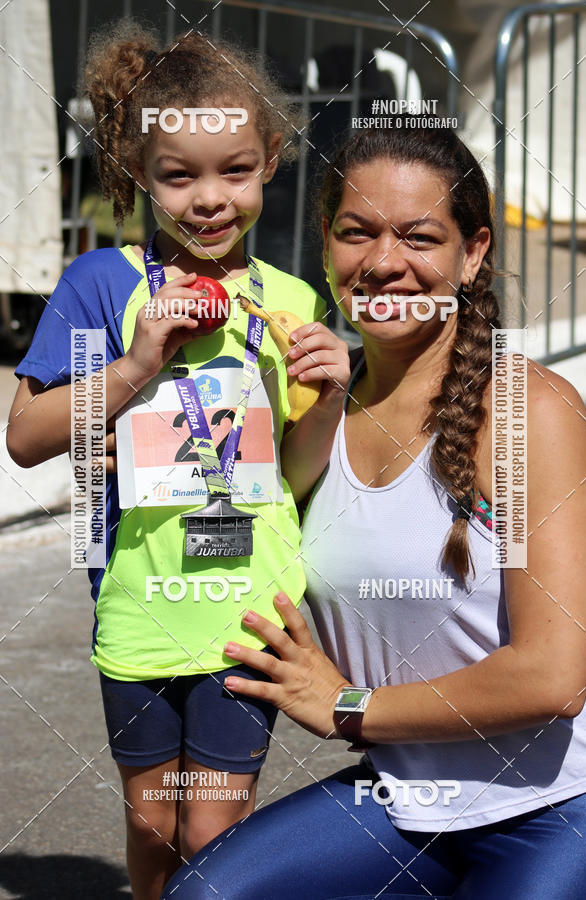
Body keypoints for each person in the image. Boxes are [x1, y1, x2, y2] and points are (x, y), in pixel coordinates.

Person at [160, 127, 586, 899]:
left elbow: (553, 678)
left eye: (419, 236)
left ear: (472, 254)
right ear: (326, 244)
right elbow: (218, 533)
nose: (384, 261)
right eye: (355, 231)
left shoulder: (530, 411)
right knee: (204, 894)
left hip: (563, 803)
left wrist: (347, 705)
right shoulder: (313, 410)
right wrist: (125, 459)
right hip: (400, 797)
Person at [6, 20, 349, 900]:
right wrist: (132, 366)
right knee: (156, 825)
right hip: (139, 604)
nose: (209, 199)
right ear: (137, 174)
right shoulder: (100, 285)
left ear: (272, 159)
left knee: (213, 830)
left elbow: (297, 478)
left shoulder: (291, 300)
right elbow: (29, 435)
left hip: (246, 603)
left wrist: (331, 396)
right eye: (178, 175)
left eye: (235, 170)